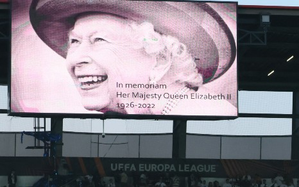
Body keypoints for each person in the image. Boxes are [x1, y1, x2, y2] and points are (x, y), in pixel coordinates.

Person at [29, 0, 237, 116]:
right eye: (74, 42)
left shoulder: (204, 111)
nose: (76, 59)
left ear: (161, 59)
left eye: (99, 40)